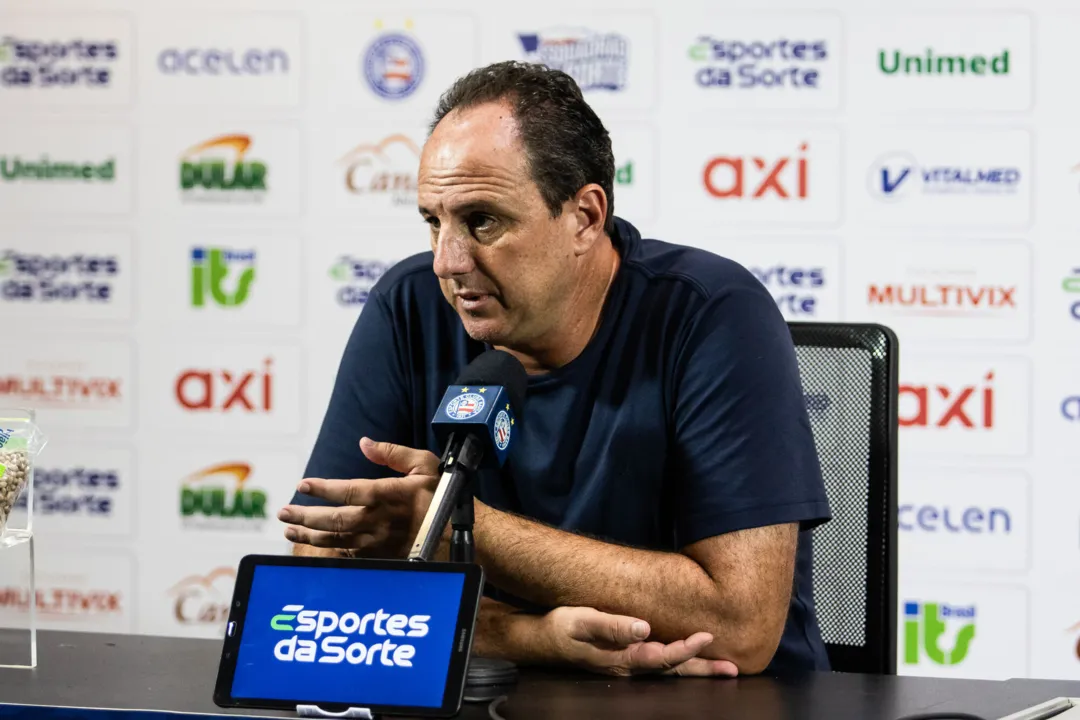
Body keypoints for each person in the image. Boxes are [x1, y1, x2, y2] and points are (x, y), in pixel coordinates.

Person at [278, 60, 832, 678]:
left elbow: (741, 627)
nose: (447, 261)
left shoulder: (713, 314)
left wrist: (451, 524)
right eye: (434, 222)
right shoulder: (407, 306)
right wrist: (528, 636)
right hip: (501, 691)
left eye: (483, 221)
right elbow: (312, 599)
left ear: (585, 218)